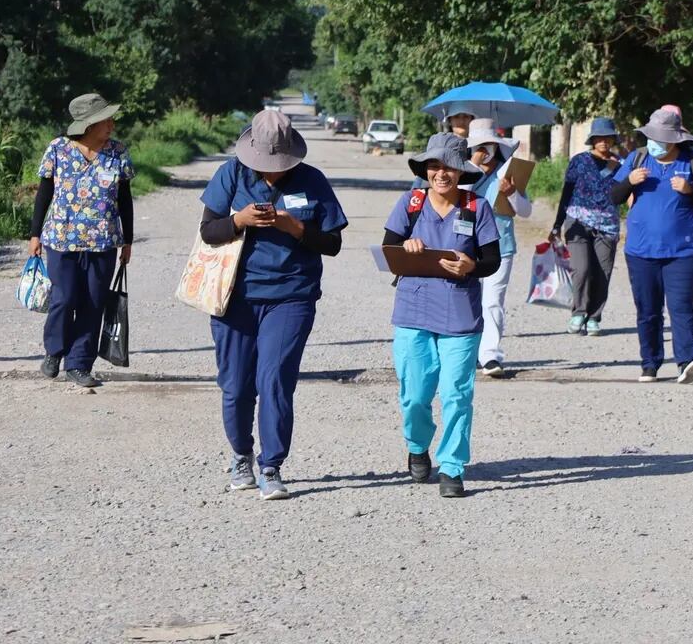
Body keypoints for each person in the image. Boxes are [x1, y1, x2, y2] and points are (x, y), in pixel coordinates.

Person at [199, 109, 348, 499]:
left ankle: (271, 466)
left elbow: (332, 244)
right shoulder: (231, 174)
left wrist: (294, 227)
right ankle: (241, 455)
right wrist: (239, 220)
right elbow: (208, 231)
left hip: (292, 296)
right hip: (235, 297)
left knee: (275, 379)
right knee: (235, 386)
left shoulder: (312, 180)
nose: (273, 171)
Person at [383, 133, 501, 498]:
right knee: (415, 395)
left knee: (456, 394)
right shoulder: (411, 203)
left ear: (461, 171)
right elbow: (389, 249)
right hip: (413, 311)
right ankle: (417, 446)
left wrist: (471, 265)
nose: (441, 173)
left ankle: (452, 467)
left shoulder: (477, 207)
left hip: (460, 317)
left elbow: (491, 261)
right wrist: (406, 245)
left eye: (449, 166)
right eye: (434, 166)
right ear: (426, 169)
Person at [29, 93, 133, 389]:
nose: (112, 124)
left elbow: (125, 199)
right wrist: (35, 234)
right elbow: (44, 193)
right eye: (106, 120)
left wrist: (128, 240)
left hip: (103, 241)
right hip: (61, 239)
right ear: (89, 124)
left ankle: (79, 364)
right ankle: (54, 351)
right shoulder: (58, 149)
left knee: (93, 303)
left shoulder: (117, 151)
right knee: (63, 298)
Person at [611, 106, 693, 384]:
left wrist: (690, 190)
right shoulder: (637, 159)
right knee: (648, 310)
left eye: (661, 138)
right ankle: (650, 363)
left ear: (674, 140)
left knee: (681, 308)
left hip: (682, 250)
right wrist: (629, 182)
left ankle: (687, 361)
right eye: (652, 137)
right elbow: (613, 196)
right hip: (640, 250)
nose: (655, 143)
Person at [466, 118, 532, 377]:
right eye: (479, 146)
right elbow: (457, 198)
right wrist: (473, 167)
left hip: (501, 245)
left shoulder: (509, 171)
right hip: (467, 246)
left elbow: (526, 211)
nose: (484, 150)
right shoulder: (463, 171)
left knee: (492, 301)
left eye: (488, 145)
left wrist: (513, 192)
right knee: (468, 300)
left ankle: (490, 356)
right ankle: (468, 352)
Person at [551, 118, 622, 336]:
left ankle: (594, 317)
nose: (603, 141)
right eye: (599, 137)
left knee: (603, 273)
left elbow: (626, 193)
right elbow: (567, 192)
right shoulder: (579, 161)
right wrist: (557, 225)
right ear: (592, 140)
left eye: (607, 137)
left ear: (612, 140)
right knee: (581, 269)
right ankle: (578, 312)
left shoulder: (620, 165)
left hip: (607, 225)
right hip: (577, 222)